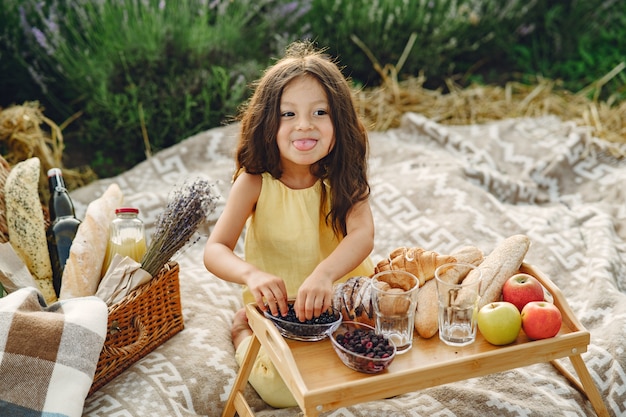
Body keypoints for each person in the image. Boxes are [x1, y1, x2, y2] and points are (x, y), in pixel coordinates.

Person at [203, 40, 375, 408]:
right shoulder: (253, 182)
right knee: (283, 392)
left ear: (339, 121)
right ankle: (241, 331)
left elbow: (362, 234)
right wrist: (251, 276)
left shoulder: (344, 177)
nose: (305, 126)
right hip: (278, 309)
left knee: (377, 362)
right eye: (288, 114)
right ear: (268, 121)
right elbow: (215, 250)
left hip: (342, 301)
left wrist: (326, 274)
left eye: (320, 113)